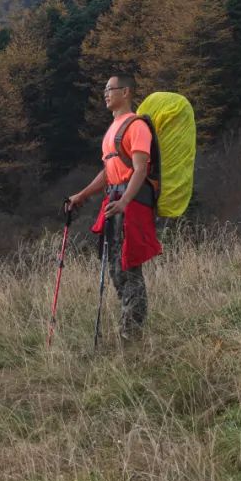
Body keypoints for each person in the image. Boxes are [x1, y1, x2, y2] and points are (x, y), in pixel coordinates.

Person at [66, 74, 162, 340]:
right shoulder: (112, 131)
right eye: (105, 89)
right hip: (116, 204)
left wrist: (125, 201)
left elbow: (140, 168)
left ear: (127, 92)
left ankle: (132, 335)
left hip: (130, 205)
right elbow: (109, 171)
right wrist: (83, 195)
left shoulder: (137, 126)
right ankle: (129, 330)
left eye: (111, 89)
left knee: (129, 267)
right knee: (116, 269)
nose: (106, 93)